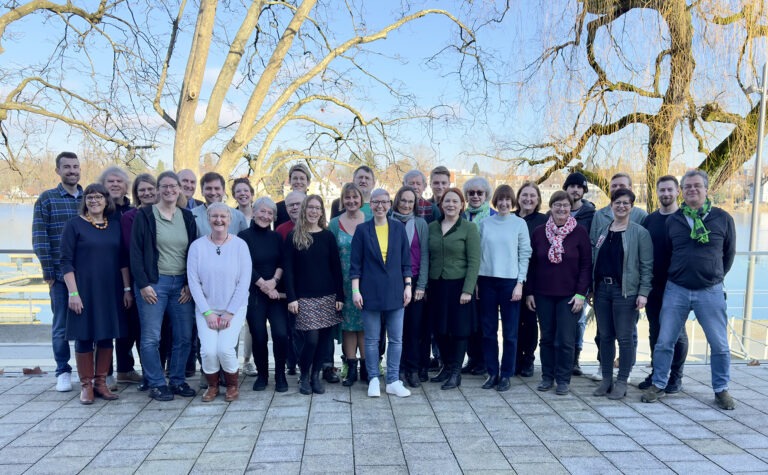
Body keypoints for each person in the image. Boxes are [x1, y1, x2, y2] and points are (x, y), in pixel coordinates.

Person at [642, 170, 737, 410]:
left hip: (710, 290)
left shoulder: (722, 218)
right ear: (682, 191)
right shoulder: (674, 220)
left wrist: (712, 275)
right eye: (688, 186)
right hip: (677, 289)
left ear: (706, 190)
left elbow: (728, 255)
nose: (692, 190)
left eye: (697, 186)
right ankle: (659, 383)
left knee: (719, 344)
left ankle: (721, 389)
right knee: (664, 341)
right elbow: (669, 251)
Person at [61, 183, 132, 404]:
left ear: (106, 200)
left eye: (99, 197)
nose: (94, 201)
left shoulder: (114, 225)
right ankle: (86, 385)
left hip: (110, 289)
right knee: (84, 337)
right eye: (90, 197)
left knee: (105, 335)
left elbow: (122, 260)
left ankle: (101, 383)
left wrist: (127, 289)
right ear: (85, 201)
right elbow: (65, 262)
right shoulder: (74, 225)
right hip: (83, 290)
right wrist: (73, 294)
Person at [131, 171, 198, 402]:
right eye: (164, 186)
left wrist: (190, 283)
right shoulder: (146, 215)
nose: (169, 190)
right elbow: (136, 252)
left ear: (180, 189)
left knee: (184, 336)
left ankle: (177, 380)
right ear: (158, 189)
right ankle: (157, 383)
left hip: (180, 284)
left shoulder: (187, 217)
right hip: (154, 284)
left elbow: (193, 253)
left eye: (173, 186)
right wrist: (143, 284)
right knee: (151, 337)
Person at [526, 191, 591, 396]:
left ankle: (563, 379)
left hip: (569, 296)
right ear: (550, 207)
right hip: (543, 293)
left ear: (570, 207)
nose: (561, 209)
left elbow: (586, 265)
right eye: (557, 205)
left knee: (565, 339)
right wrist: (529, 293)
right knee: (546, 338)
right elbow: (532, 265)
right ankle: (547, 376)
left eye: (565, 205)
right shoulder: (538, 232)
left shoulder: (579, 232)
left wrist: (581, 293)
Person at [350, 188, 413, 398]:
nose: (380, 206)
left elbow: (406, 261)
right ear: (370, 204)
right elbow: (355, 264)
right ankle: (374, 379)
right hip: (370, 292)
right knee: (371, 339)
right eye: (376, 202)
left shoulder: (398, 228)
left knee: (396, 338)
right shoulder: (362, 230)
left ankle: (393, 380)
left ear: (389, 204)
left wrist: (408, 285)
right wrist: (356, 291)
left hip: (396, 290)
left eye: (384, 202)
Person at [591, 188, 653, 400]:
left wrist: (643, 292)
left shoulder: (639, 233)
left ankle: (621, 381)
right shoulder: (602, 230)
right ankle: (606, 380)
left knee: (625, 339)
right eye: (617, 202)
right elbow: (594, 260)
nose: (621, 206)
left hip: (625, 292)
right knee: (605, 337)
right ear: (611, 205)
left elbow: (647, 265)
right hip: (602, 291)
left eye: (626, 203)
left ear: (632, 206)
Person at [187, 203, 252, 402]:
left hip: (234, 307)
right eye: (214, 216)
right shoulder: (197, 246)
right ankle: (213, 386)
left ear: (229, 219)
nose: (219, 220)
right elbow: (193, 282)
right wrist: (208, 313)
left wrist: (230, 312)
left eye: (223, 216)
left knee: (224, 348)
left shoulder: (240, 245)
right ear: (208, 219)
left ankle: (232, 385)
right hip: (207, 308)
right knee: (208, 350)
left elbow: (244, 281)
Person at [283, 195, 344, 395]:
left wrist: (340, 296)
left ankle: (315, 375)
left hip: (327, 295)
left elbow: (336, 269)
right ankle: (304, 374)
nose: (313, 211)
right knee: (311, 340)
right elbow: (289, 270)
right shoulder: (294, 236)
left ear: (321, 212)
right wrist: (291, 297)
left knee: (324, 341)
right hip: (304, 297)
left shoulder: (328, 236)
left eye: (317, 208)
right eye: (310, 207)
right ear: (304, 210)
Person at [33, 151, 83, 392]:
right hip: (60, 276)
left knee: (88, 325)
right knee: (61, 324)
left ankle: (91, 371)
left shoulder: (89, 198)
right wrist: (48, 273)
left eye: (75, 166)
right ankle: (63, 370)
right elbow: (40, 237)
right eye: (67, 167)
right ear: (58, 170)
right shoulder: (47, 199)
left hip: (88, 275)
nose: (72, 171)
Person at [477, 184, 531, 392]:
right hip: (487, 281)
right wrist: (476, 284)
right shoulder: (485, 223)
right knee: (489, 331)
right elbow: (479, 254)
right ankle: (492, 372)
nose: (504, 203)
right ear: (495, 201)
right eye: (500, 199)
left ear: (512, 202)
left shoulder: (519, 224)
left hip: (510, 282)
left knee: (510, 332)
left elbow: (524, 254)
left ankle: (506, 373)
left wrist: (520, 283)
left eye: (508, 200)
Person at [638, 176, 689, 393]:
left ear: (677, 191)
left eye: (670, 190)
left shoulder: (686, 219)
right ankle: (657, 372)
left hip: (678, 285)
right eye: (662, 190)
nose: (666, 194)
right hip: (654, 285)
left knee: (677, 333)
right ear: (657, 192)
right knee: (655, 331)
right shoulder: (650, 220)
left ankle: (676, 376)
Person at [428, 188, 480, 390]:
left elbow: (474, 261)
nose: (450, 204)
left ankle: (456, 372)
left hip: (459, 286)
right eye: (446, 201)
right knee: (440, 329)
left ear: (461, 205)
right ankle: (447, 367)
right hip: (437, 285)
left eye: (455, 201)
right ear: (441, 204)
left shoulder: (469, 228)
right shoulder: (432, 227)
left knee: (458, 330)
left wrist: (468, 289)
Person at [238, 197, 290, 392]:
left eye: (270, 213)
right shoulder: (243, 237)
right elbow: (244, 265)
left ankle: (280, 375)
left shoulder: (276, 237)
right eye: (262, 211)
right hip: (254, 293)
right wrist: (263, 285)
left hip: (276, 294)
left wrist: (274, 282)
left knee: (280, 333)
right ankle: (262, 375)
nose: (266, 216)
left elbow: (282, 262)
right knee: (258, 334)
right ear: (254, 211)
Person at [117, 173, 158, 387]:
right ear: (136, 193)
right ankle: (143, 373)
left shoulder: (164, 213)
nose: (147, 193)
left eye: (150, 188)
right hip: (137, 278)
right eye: (142, 190)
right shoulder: (129, 218)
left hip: (163, 278)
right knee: (138, 328)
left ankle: (157, 370)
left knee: (157, 329)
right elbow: (129, 250)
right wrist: (130, 286)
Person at [328, 183, 368, 386]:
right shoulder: (334, 224)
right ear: (342, 200)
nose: (352, 201)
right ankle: (351, 368)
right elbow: (329, 255)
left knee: (365, 325)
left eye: (355, 197)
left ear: (361, 199)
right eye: (348, 197)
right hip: (342, 282)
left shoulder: (369, 220)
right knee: (348, 327)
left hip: (367, 281)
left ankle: (366, 368)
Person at [99, 165, 133, 389]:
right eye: (110, 181)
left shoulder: (131, 210)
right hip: (105, 274)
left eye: (119, 181)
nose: (115, 185)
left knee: (127, 324)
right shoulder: (100, 210)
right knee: (105, 325)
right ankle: (104, 373)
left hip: (129, 273)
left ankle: (125, 369)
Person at [391, 186, 430, 388]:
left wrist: (421, 285)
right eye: (403, 200)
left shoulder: (421, 224)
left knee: (414, 329)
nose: (406, 205)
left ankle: (412, 369)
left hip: (414, 282)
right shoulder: (388, 221)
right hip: (391, 282)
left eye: (410, 202)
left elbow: (424, 255)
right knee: (395, 330)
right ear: (397, 200)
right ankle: (396, 369)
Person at [460, 176, 496, 376]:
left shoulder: (493, 217)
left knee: (485, 321)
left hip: (486, 276)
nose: (475, 196)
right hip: (465, 276)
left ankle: (484, 360)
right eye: (471, 193)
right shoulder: (462, 217)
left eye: (479, 193)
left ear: (486, 195)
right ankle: (472, 358)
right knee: (469, 321)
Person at [563, 171, 595, 377]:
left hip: (581, 275)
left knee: (579, 319)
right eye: (571, 186)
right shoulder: (557, 212)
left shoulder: (591, 215)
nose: (575, 189)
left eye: (579, 186)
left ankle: (575, 358)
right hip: (560, 275)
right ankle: (561, 357)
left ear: (584, 191)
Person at [514, 182, 548, 377]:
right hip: (511, 278)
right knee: (513, 322)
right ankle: (514, 357)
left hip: (533, 279)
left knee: (530, 321)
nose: (528, 199)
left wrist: (531, 290)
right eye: (524, 195)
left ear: (538, 199)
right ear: (518, 198)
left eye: (532, 196)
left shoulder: (544, 221)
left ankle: (528, 358)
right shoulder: (510, 218)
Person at [231, 177, 257, 377]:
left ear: (251, 193)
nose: (242, 194)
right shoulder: (229, 216)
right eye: (238, 191)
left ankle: (248, 360)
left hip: (258, 274)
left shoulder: (262, 214)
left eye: (245, 190)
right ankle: (231, 361)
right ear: (234, 195)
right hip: (235, 273)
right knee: (233, 317)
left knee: (251, 321)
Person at [191, 172, 248, 237]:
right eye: (208, 188)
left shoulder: (238, 217)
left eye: (217, 188)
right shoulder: (192, 215)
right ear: (202, 191)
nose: (213, 192)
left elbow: (245, 243)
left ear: (224, 191)